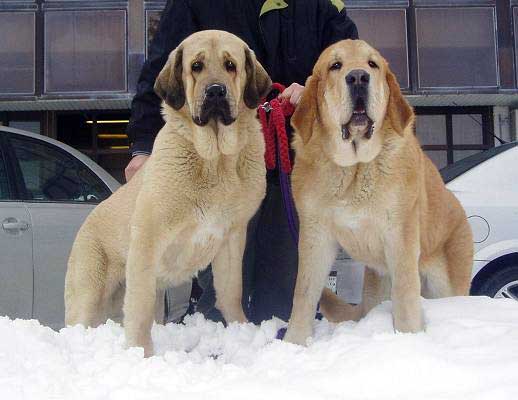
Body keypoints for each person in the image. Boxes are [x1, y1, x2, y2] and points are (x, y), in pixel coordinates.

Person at [126, 0, 358, 324]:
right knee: (219, 303)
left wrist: (317, 93)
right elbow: (161, 71)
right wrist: (143, 148)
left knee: (282, 302)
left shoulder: (323, 5)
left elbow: (354, 71)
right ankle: (217, 357)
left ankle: (277, 364)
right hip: (214, 175)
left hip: (292, 166)